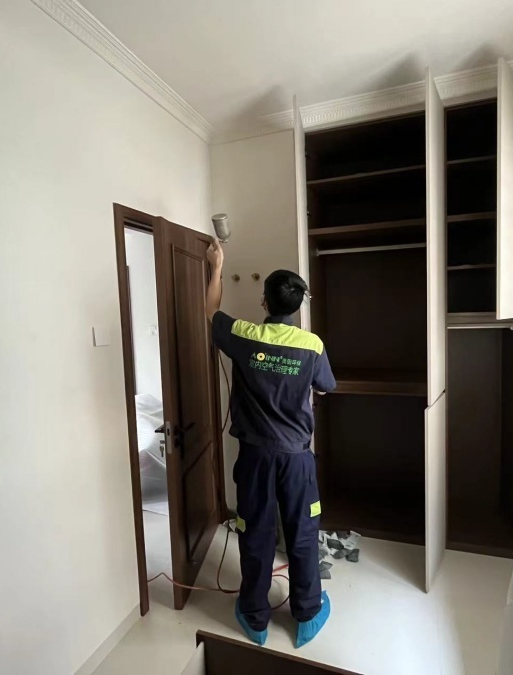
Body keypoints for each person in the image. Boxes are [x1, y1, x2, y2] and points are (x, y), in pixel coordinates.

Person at [205, 237, 335, 648]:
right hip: (297, 459)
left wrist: (217, 266)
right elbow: (326, 386)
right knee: (302, 533)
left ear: (265, 302)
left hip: (256, 458)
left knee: (255, 532)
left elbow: (210, 312)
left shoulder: (244, 335)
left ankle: (255, 617)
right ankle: (307, 614)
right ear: (297, 307)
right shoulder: (312, 345)